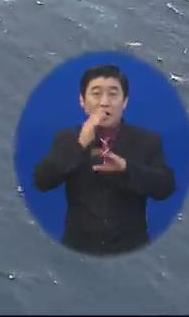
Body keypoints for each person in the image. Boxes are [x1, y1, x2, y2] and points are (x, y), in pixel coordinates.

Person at [33, 64, 177, 255]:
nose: (104, 102)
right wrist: (80, 145)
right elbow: (42, 181)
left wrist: (126, 168)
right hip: (79, 248)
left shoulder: (147, 140)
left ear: (124, 102)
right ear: (82, 102)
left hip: (131, 248)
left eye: (113, 94)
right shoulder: (66, 138)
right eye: (96, 93)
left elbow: (165, 187)